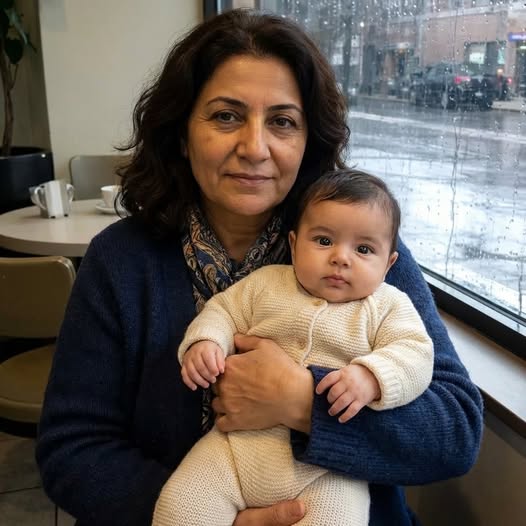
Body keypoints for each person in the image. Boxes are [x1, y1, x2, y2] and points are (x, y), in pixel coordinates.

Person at [36, 9, 483, 526]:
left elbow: (455, 432)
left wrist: (302, 403)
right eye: (226, 116)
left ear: (307, 141)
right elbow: (72, 449)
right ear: (181, 134)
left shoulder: (356, 252)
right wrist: (211, 515)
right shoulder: (120, 260)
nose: (254, 148)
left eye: (283, 122)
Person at [153, 169, 434, 526]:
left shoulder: (388, 306)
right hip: (232, 451)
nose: (341, 258)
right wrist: (206, 341)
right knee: (180, 508)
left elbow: (416, 353)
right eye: (323, 241)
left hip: (328, 473)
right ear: (294, 243)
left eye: (363, 249)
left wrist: (373, 377)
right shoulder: (267, 283)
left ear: (389, 263)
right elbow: (223, 311)